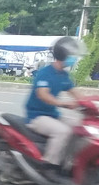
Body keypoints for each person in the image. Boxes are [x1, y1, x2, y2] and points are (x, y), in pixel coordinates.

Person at [25, 36, 85, 172]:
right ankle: (49, 166)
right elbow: (43, 95)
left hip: (53, 115)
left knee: (80, 127)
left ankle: (69, 162)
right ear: (63, 54)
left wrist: (90, 103)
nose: (74, 58)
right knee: (63, 131)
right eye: (72, 55)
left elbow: (76, 94)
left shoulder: (63, 75)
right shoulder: (45, 73)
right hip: (36, 117)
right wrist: (63, 103)